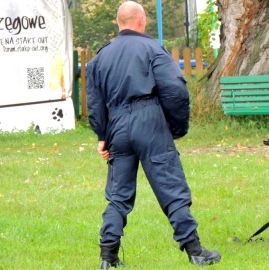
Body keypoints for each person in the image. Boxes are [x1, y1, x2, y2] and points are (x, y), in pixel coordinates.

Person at [85, 1, 221, 268]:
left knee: (118, 194)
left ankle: (107, 257)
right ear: (142, 20)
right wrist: (176, 127)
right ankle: (194, 251)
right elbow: (175, 90)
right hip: (149, 121)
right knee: (171, 187)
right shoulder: (151, 49)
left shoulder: (100, 58)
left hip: (118, 126)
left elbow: (95, 101)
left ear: (118, 22)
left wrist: (102, 135)